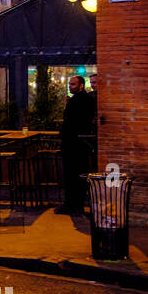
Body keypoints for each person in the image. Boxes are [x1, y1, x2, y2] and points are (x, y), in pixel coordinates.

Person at [58, 74, 98, 215]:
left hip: (73, 143)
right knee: (79, 175)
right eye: (69, 84)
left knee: (71, 175)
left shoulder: (78, 100)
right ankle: (77, 205)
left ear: (81, 85)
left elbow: (71, 122)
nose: (70, 86)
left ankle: (71, 205)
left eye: (73, 84)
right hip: (81, 143)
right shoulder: (87, 99)